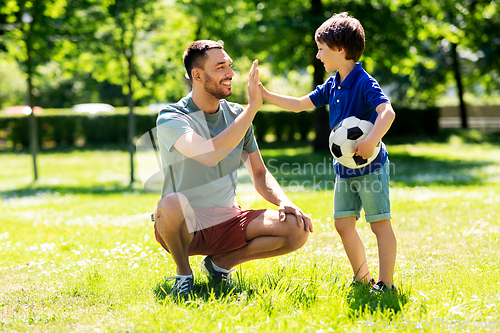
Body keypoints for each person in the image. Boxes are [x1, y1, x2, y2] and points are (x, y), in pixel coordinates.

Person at [153, 40, 313, 297]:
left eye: (230, 66)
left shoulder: (237, 115)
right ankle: (184, 273)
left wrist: (284, 200)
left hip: (228, 219)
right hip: (185, 225)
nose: (230, 73)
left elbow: (259, 174)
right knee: (171, 202)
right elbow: (208, 154)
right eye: (220, 67)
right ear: (197, 75)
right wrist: (252, 109)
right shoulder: (172, 116)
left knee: (296, 228)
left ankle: (220, 264)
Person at [258, 13, 397, 292]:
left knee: (379, 225)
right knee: (343, 223)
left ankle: (386, 283)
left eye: (322, 48)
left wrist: (371, 139)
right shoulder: (332, 84)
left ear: (341, 50)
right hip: (344, 170)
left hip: (370, 167)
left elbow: (387, 112)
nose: (318, 54)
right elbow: (299, 103)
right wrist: (264, 94)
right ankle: (362, 278)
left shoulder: (364, 82)